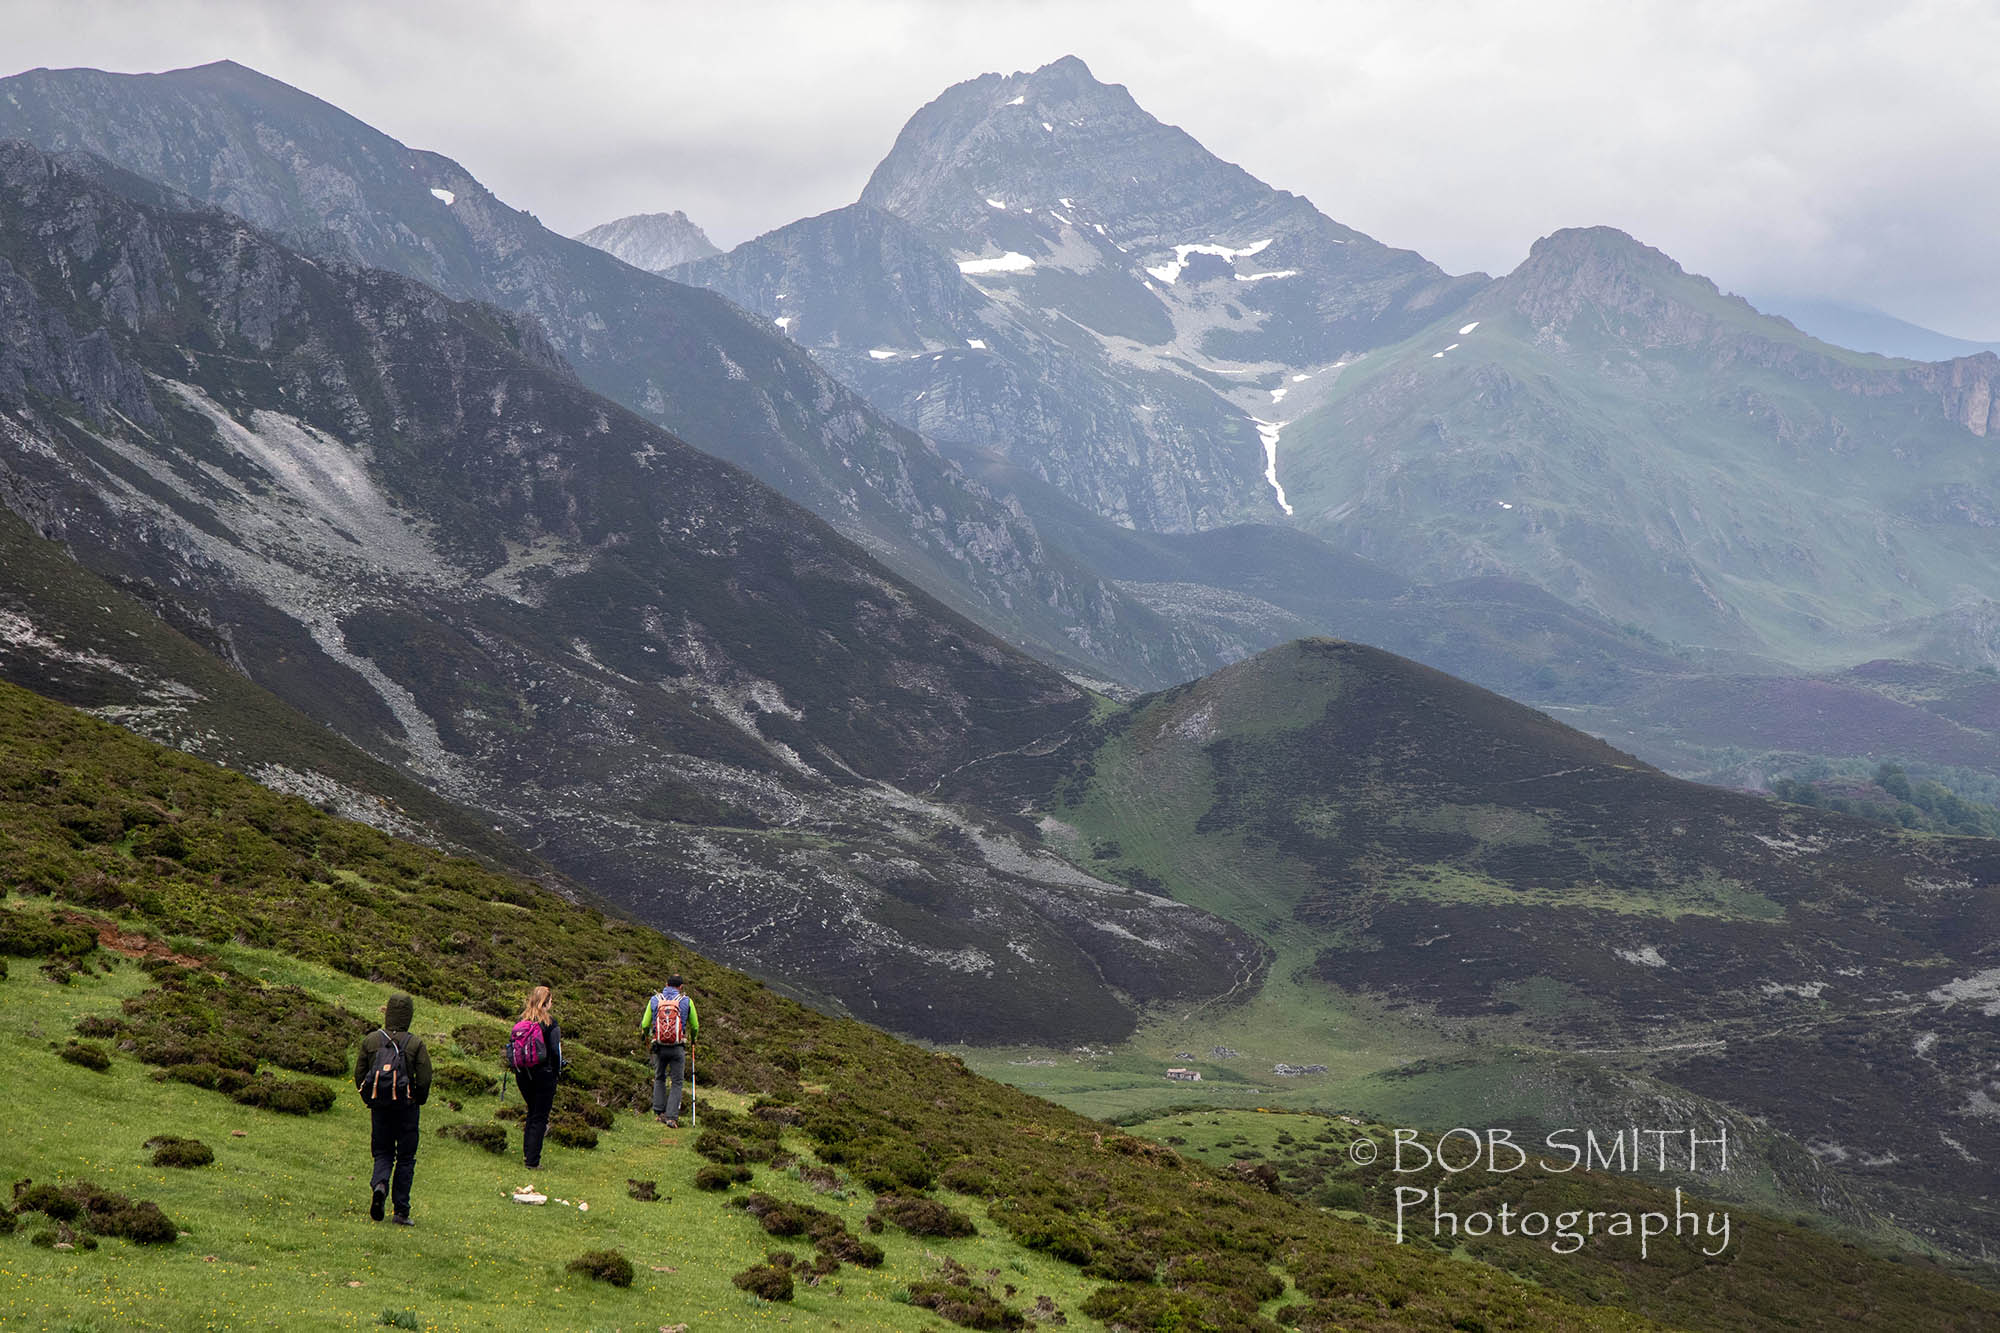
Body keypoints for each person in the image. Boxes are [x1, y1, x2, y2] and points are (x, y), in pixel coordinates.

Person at [354, 992, 432, 1226]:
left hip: (380, 1107)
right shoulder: (415, 1043)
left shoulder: (371, 1041)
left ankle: (379, 1185)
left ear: (387, 1012)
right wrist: (418, 1099)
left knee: (382, 1152)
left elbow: (359, 1074)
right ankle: (401, 1211)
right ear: (409, 1015)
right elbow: (425, 1077)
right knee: (406, 1158)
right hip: (407, 1109)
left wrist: (369, 1098)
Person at [511, 985, 564, 1170]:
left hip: (523, 1074)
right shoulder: (551, 1023)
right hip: (544, 1074)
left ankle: (528, 1154)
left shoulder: (522, 1020)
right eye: (551, 1000)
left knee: (532, 1112)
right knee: (540, 1117)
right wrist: (557, 1072)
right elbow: (555, 1052)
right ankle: (532, 1161)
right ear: (546, 1002)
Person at [640, 974, 698, 1127]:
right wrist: (693, 1040)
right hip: (677, 1047)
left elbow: (645, 1024)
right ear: (681, 987)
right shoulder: (686, 1001)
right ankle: (671, 1117)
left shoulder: (654, 1000)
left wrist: (645, 1036)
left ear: (665, 984)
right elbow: (696, 1025)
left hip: (659, 1046)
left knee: (659, 1077)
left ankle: (659, 1112)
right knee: (677, 1082)